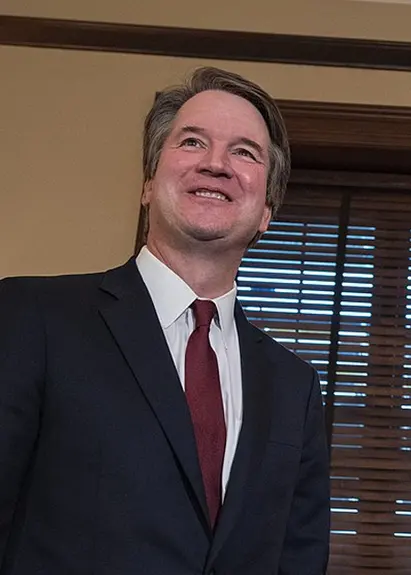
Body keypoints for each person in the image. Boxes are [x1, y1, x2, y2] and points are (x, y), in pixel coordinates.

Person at [0, 67, 330, 574]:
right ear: (148, 184)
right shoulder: (31, 318)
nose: (216, 164)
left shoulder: (295, 388)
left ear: (267, 208)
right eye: (193, 141)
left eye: (244, 152)